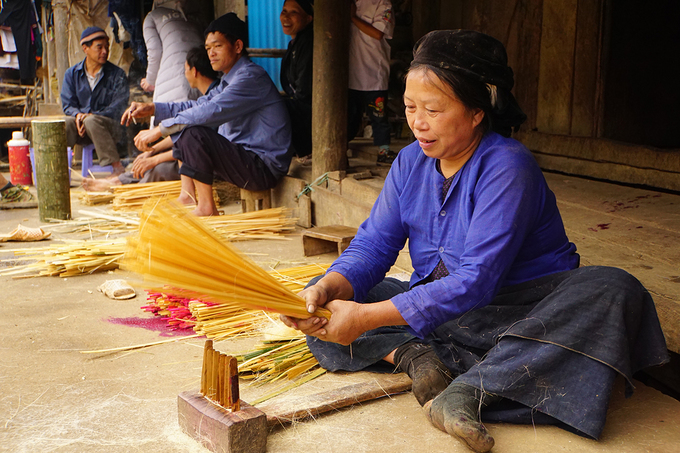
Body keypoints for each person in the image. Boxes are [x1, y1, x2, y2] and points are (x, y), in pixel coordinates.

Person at [281, 30, 669, 453]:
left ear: (477, 111)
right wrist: (328, 289)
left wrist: (367, 319)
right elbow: (373, 247)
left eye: (433, 108)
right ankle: (416, 358)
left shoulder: (507, 165)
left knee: (614, 290)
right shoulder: (410, 161)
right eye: (410, 107)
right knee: (326, 299)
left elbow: (477, 281)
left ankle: (470, 390)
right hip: (443, 315)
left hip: (521, 315)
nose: (417, 122)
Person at [121, 13, 292, 217]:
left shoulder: (250, 77)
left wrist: (160, 129)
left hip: (262, 168)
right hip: (245, 160)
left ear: (237, 47)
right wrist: (154, 108)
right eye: (208, 48)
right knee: (186, 127)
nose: (211, 53)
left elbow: (211, 111)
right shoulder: (228, 79)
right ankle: (189, 197)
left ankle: (206, 208)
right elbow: (197, 105)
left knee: (192, 132)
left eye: (217, 46)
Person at [82, 47, 219, 192]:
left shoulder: (215, 102)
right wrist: (151, 152)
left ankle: (126, 191)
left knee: (158, 168)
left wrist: (154, 158)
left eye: (185, 70)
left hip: (211, 161)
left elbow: (191, 141)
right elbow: (181, 134)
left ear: (194, 71)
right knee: (149, 160)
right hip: (195, 151)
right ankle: (117, 181)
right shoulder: (205, 99)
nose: (184, 75)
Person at [61, 27, 130, 177]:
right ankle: (60, 169)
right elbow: (67, 104)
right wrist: (78, 115)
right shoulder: (71, 74)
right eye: (99, 47)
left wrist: (91, 116)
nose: (105, 51)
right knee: (66, 122)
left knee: (92, 120)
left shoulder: (117, 74)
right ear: (85, 48)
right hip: (82, 129)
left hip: (110, 128)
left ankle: (117, 167)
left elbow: (119, 106)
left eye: (107, 47)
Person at [348, 0, 395, 163]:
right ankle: (341, 149)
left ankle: (384, 151)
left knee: (378, 116)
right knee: (349, 116)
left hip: (373, 73)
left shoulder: (383, 4)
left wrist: (353, 17)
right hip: (350, 73)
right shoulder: (351, 3)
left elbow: (378, 34)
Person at [141, 0, 205, 103]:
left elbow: (155, 53)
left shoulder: (152, 16)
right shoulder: (194, 15)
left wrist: (150, 80)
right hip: (202, 75)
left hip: (173, 82)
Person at [280, 0, 314, 157]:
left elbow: (304, 90)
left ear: (309, 18)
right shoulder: (296, 42)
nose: (286, 17)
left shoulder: (309, 42)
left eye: (293, 13)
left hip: (311, 114)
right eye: (284, 11)